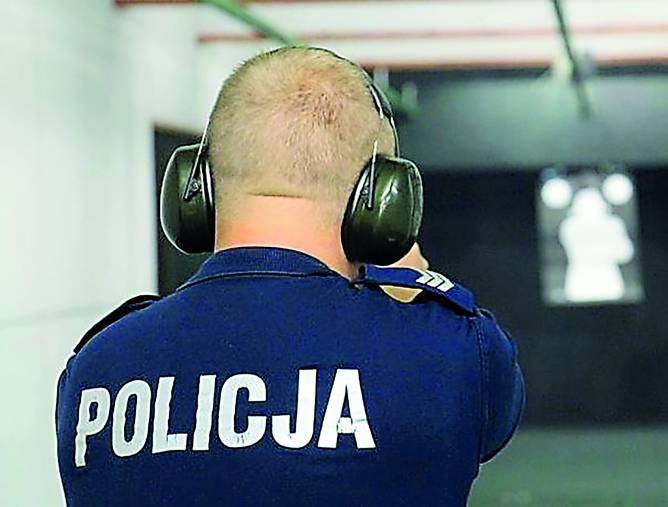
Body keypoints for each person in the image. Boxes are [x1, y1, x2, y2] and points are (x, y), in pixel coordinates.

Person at [55, 46, 524, 507]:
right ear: (383, 200)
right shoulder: (456, 352)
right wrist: (411, 290)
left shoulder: (95, 368)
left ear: (194, 189)